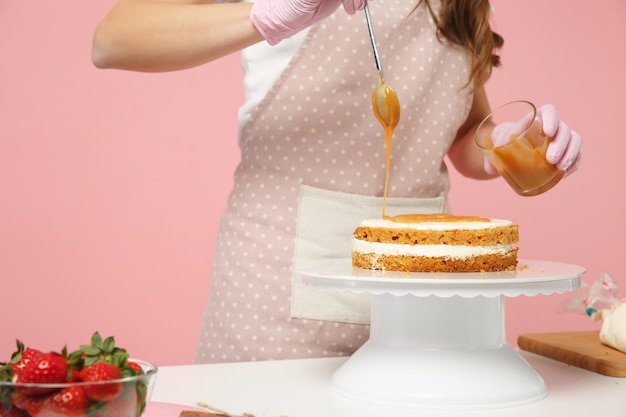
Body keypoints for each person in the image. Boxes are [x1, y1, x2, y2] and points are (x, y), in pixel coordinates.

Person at [92, 0, 582, 363]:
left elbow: (462, 134)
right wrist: (262, 16)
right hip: (275, 297)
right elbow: (111, 40)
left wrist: (506, 142)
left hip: (424, 299)